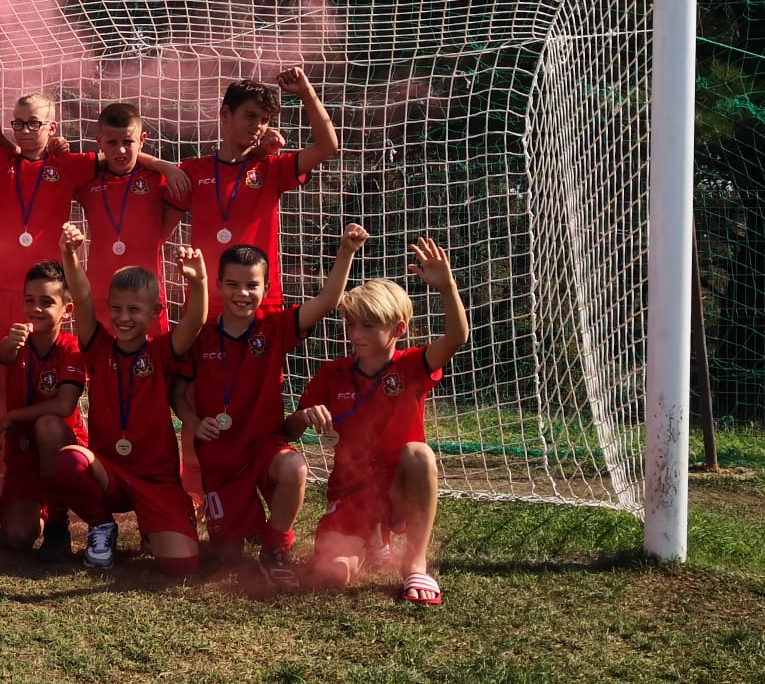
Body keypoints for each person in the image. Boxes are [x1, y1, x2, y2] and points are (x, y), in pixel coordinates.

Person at [173, 227, 367, 587]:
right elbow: (178, 391)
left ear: (265, 288)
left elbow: (326, 301)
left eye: (252, 285)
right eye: (232, 284)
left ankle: (274, 547)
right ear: (218, 285)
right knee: (227, 557)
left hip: (265, 447)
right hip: (221, 458)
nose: (242, 293)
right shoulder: (200, 334)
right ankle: (241, 523)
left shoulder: (275, 327)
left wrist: (346, 251)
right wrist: (194, 422)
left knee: (294, 465)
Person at [289, 237, 470, 606]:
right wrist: (304, 416)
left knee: (419, 454)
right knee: (333, 573)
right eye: (351, 324)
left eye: (369, 327)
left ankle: (415, 562)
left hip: (398, 489)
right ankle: (373, 540)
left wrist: (447, 286)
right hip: (351, 491)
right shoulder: (333, 373)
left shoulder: (411, 367)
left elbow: (456, 338)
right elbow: (288, 429)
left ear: (398, 330)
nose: (356, 336)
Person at [53, 224, 209, 574]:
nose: (123, 318)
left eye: (134, 310)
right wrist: (69, 254)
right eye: (117, 309)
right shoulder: (98, 346)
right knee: (69, 461)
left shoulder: (163, 351)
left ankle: (159, 523)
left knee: (181, 565)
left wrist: (197, 281)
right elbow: (80, 298)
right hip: (110, 472)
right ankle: (102, 526)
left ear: (154, 313)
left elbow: (195, 322)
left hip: (157, 479)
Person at [0, 70, 94, 322]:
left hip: (45, 287)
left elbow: (117, 155)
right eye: (18, 123)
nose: (24, 130)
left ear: (52, 127)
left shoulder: (66, 165)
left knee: (41, 355)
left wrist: (163, 166)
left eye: (33, 123)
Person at [181, 69, 340, 307]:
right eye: (250, 116)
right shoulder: (192, 171)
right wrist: (162, 166)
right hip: (206, 301)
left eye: (264, 120)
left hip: (262, 301)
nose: (258, 126)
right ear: (225, 113)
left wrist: (306, 92)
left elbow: (327, 146)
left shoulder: (270, 169)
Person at [0, 260, 87, 559]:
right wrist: (8, 343)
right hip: (23, 453)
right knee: (17, 538)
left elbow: (64, 405)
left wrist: (12, 417)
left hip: (62, 449)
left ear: (67, 310)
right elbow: (2, 355)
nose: (36, 309)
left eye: (47, 302)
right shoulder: (18, 342)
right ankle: (40, 513)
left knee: (47, 423)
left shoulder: (73, 348)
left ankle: (59, 523)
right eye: (29, 301)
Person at [69, 102, 191, 311]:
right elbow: (57, 170)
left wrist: (162, 166)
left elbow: (167, 226)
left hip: (147, 295)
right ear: (99, 142)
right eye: (112, 143)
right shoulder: (87, 180)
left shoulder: (159, 179)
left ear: (142, 140)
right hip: (100, 295)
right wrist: (157, 162)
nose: (121, 150)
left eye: (128, 141)